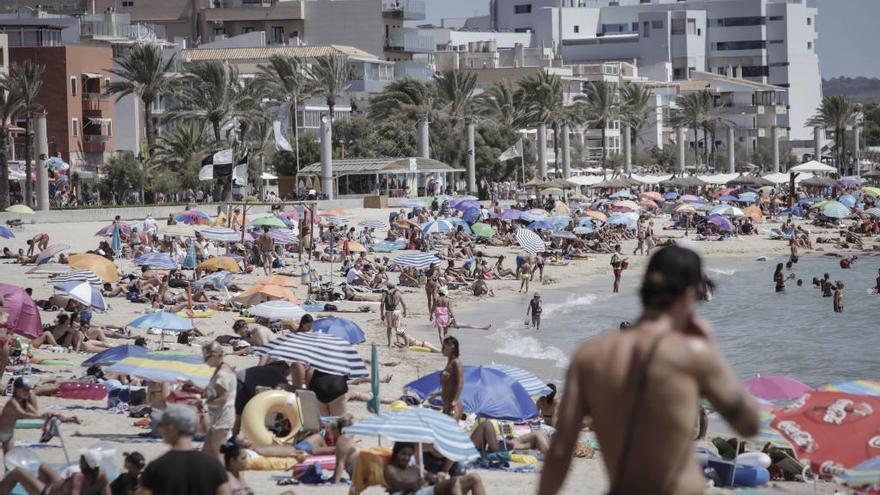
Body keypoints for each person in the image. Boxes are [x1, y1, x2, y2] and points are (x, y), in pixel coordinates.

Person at [537, 246, 760, 495]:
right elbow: (749, 425)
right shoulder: (693, 353)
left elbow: (559, 452)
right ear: (690, 294)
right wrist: (710, 349)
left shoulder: (591, 355)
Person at [140, 405, 230, 495]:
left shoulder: (156, 467)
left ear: (171, 428)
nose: (159, 428)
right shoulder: (214, 466)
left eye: (161, 425)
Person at [185, 342, 236, 461]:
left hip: (222, 417)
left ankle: (226, 479)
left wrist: (202, 403)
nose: (204, 361)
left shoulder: (223, 373)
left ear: (216, 356)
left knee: (217, 455)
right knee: (207, 453)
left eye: (206, 357)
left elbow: (223, 399)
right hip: (219, 417)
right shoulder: (221, 369)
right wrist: (194, 386)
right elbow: (212, 391)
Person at [384, 442, 485, 495]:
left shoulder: (414, 469)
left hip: (427, 491)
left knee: (474, 478)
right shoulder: (390, 469)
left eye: (409, 455)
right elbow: (399, 484)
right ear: (396, 453)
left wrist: (437, 477)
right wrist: (415, 484)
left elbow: (431, 477)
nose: (406, 457)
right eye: (403, 454)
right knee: (454, 483)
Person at [0, 451, 111, 495]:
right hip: (58, 485)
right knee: (43, 467)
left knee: (17, 472)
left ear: (84, 464)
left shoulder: (78, 477)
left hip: (48, 492)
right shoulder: (102, 476)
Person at [232, 361, 292, 437]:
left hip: (239, 380)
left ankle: (234, 437)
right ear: (284, 369)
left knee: (239, 414)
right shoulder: (276, 373)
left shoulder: (266, 369)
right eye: (288, 373)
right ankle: (237, 437)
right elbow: (287, 388)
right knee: (241, 414)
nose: (287, 375)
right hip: (241, 383)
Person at [428, 337, 463, 420]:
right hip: (446, 406)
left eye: (444, 347)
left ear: (452, 347)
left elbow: (460, 383)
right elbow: (449, 386)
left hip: (453, 407)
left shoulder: (456, 362)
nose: (442, 349)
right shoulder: (449, 363)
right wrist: (436, 394)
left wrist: (455, 401)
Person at [381, 282, 407, 347]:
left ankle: (389, 343)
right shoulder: (398, 293)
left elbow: (382, 304)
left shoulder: (385, 293)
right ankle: (398, 341)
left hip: (388, 311)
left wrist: (382, 314)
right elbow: (403, 304)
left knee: (389, 327)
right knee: (397, 328)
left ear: (388, 287)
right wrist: (405, 312)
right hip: (397, 311)